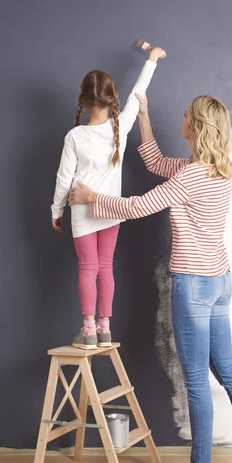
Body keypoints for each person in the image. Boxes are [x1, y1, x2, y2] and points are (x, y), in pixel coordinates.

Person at [68, 93, 232, 463]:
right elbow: (157, 164)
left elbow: (138, 206)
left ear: (194, 126)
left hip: (192, 283)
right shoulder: (217, 169)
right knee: (225, 368)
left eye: (185, 115)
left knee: (195, 378)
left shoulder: (191, 176)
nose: (180, 117)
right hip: (220, 280)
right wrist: (143, 116)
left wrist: (92, 198)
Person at [51, 47, 167, 349]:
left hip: (81, 210)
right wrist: (152, 59)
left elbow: (64, 178)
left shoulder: (74, 136)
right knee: (106, 266)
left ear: (83, 100)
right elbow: (138, 92)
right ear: (111, 98)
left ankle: (88, 331)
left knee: (87, 267)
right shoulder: (121, 125)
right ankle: (105, 327)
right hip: (111, 211)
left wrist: (56, 210)